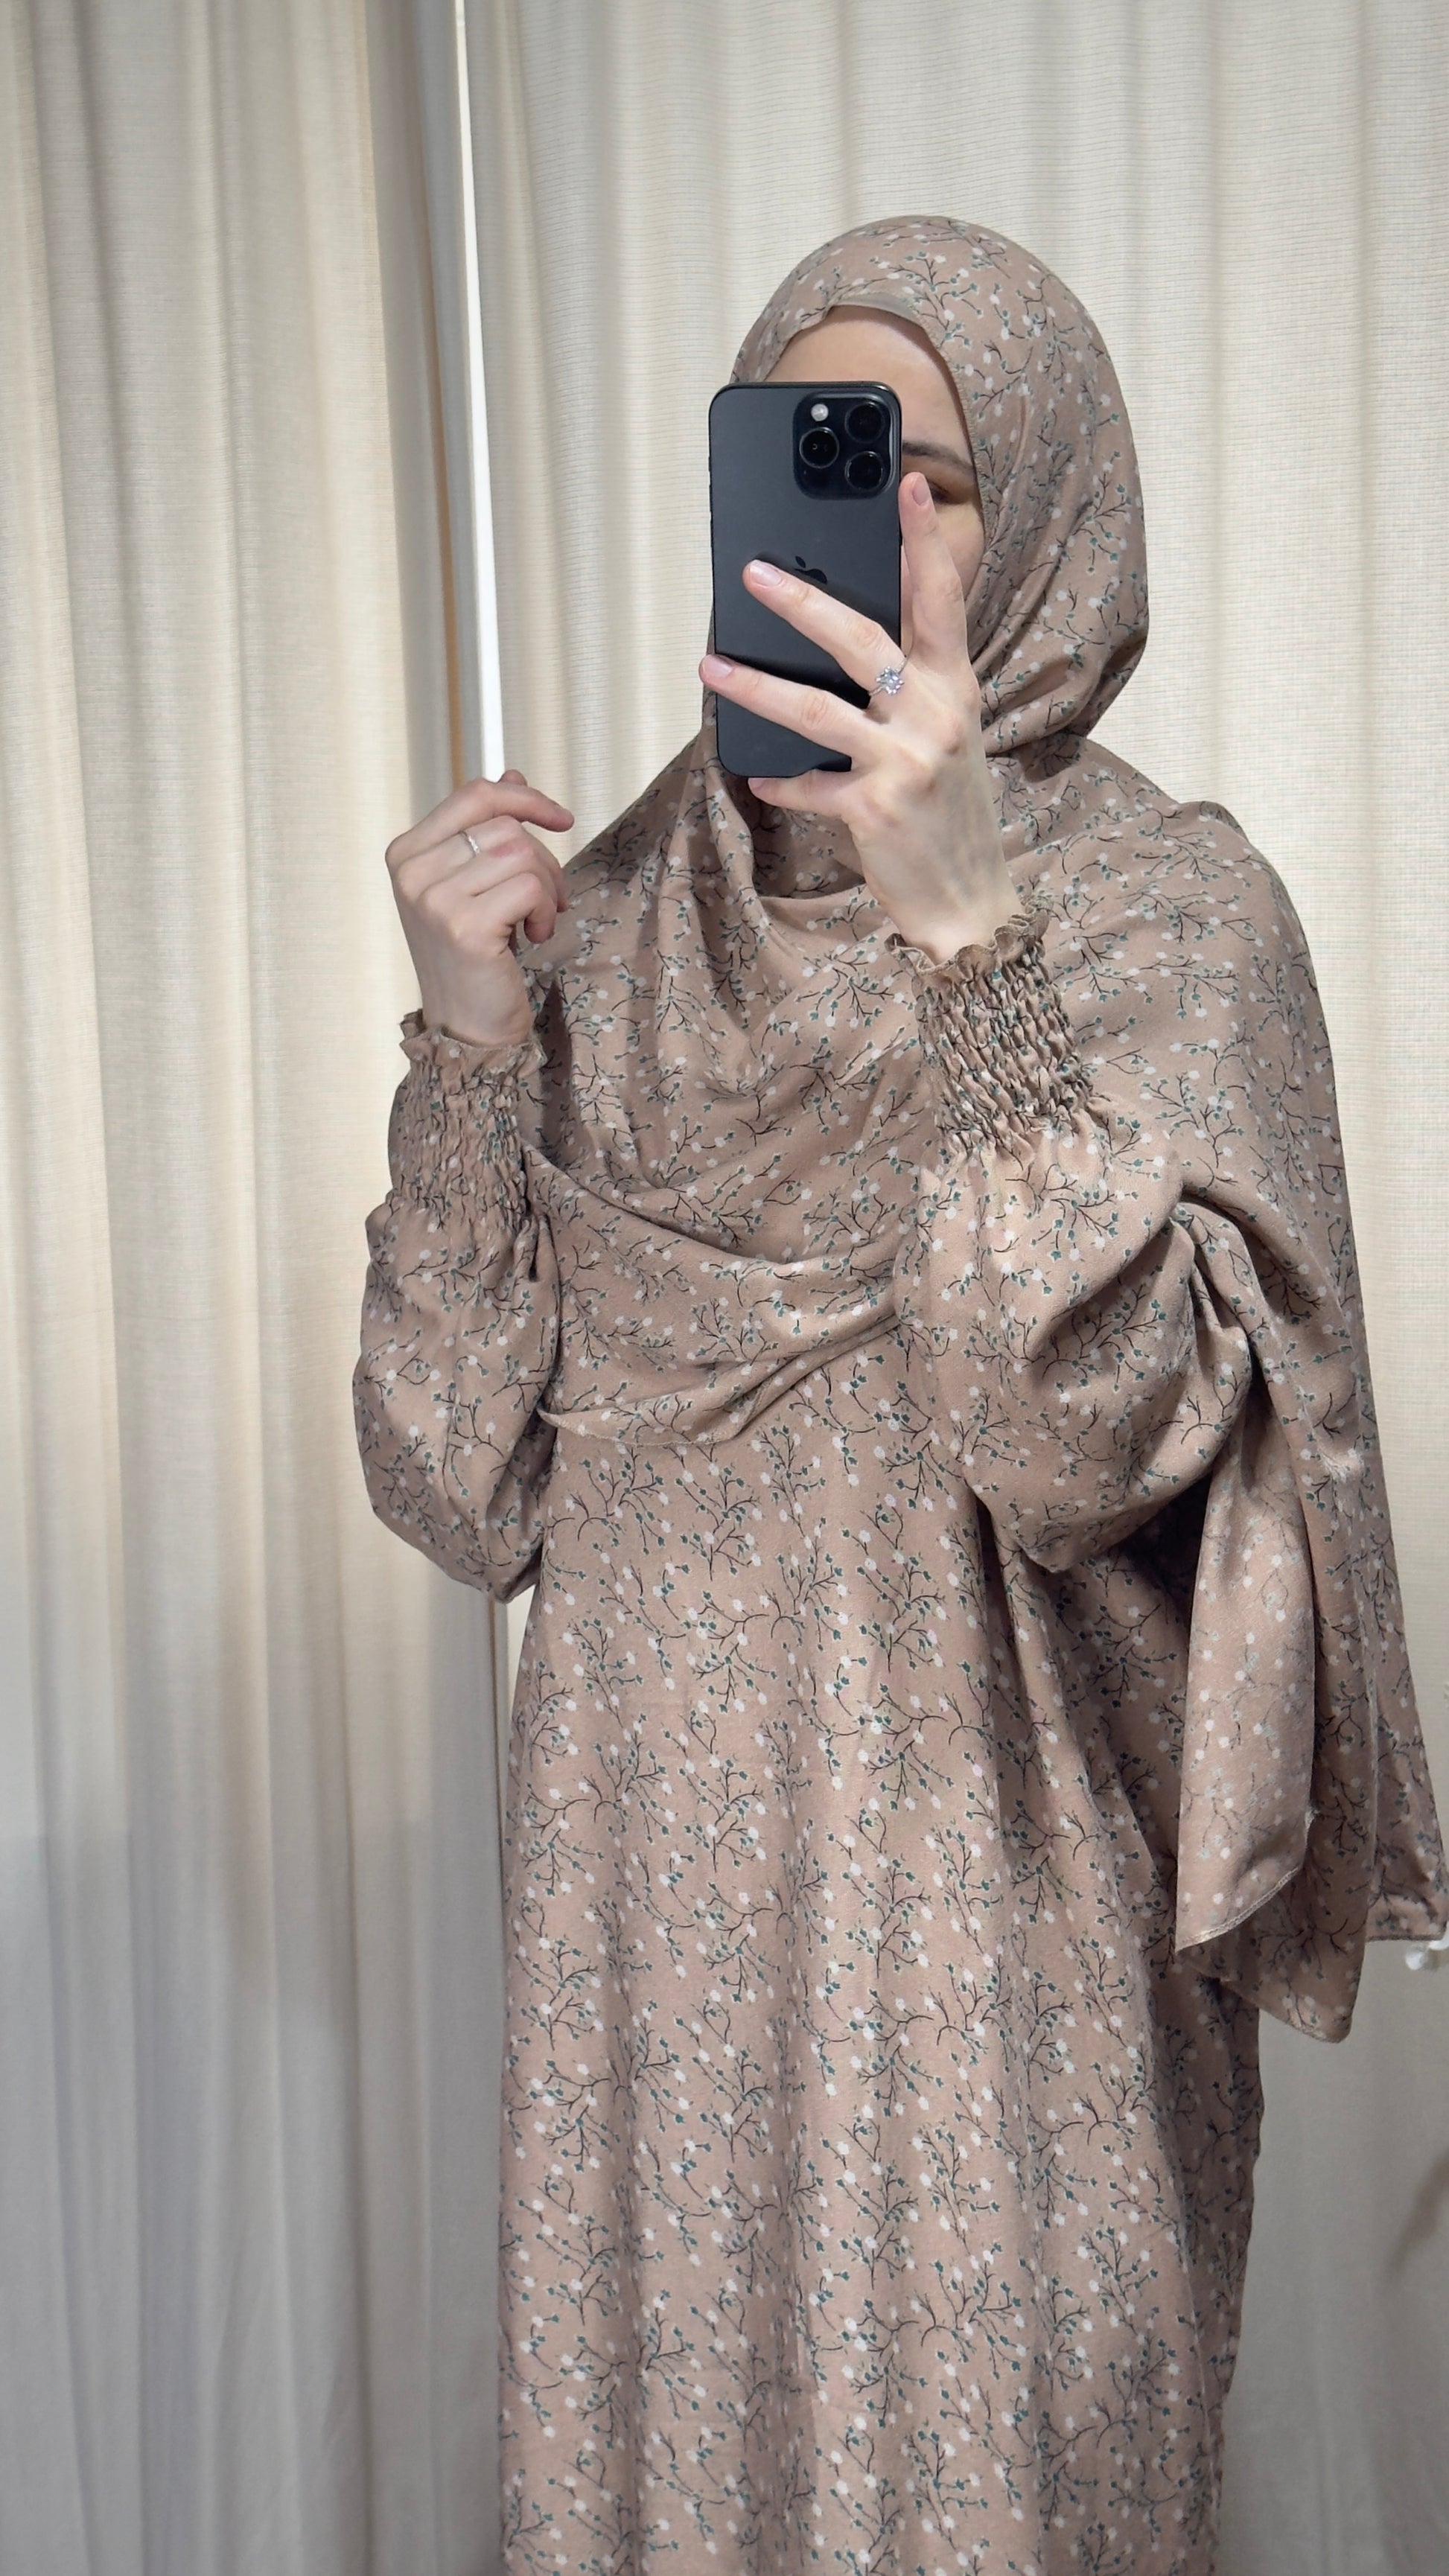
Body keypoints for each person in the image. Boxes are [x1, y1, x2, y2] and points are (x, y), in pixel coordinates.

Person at [354, 217, 1448, 2575]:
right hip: (653, 1968)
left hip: (1003, 1948)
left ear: (1047, 513)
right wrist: (468, 1046)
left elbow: (1077, 1447)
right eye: (815, 457)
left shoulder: (1165, 917)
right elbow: (452, 1485)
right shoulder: (603, 930)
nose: (881, 529)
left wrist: (969, 941)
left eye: (929, 476)